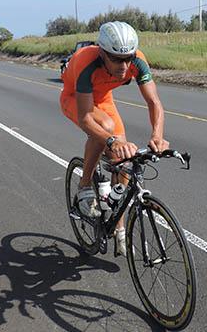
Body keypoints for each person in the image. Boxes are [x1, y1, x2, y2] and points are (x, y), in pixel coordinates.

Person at [60, 21, 169, 256]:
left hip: (103, 99)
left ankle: (118, 227)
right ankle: (85, 184)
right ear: (102, 53)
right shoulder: (86, 62)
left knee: (125, 163)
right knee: (106, 130)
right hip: (75, 99)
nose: (124, 65)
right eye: (117, 59)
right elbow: (87, 118)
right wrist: (111, 140)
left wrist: (157, 136)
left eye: (128, 58)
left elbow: (154, 103)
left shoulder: (137, 60)